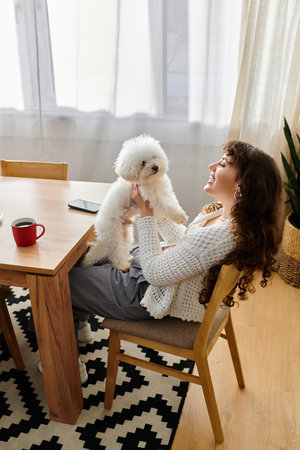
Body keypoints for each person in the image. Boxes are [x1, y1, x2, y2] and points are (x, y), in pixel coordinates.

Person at [68, 139, 282, 383]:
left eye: (223, 164)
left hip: (146, 293)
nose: (212, 166)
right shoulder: (226, 219)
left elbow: (155, 273)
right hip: (156, 274)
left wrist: (146, 215)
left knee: (63, 278)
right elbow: (186, 246)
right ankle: (78, 324)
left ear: (242, 184)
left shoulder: (220, 236)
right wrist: (154, 207)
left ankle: (62, 362)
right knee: (84, 257)